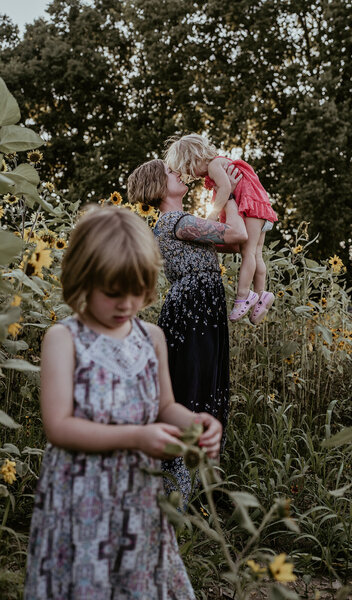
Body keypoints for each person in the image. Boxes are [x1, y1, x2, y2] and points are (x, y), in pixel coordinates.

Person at [24, 205, 223, 599]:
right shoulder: (64, 339)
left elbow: (165, 405)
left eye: (138, 293)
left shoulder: (150, 338)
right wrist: (137, 436)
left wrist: (195, 422)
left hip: (138, 496)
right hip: (82, 498)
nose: (127, 305)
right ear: (83, 278)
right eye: (113, 294)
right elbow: (59, 427)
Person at [127, 159, 247, 506]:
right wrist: (231, 193)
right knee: (190, 390)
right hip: (193, 310)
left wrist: (230, 195)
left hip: (202, 309)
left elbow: (235, 243)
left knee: (203, 387)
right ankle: (174, 492)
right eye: (170, 172)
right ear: (159, 186)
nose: (178, 173)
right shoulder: (176, 221)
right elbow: (238, 234)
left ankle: (190, 488)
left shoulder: (184, 223)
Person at [164, 133, 278, 324]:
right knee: (257, 254)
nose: (191, 176)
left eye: (188, 168)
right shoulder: (220, 164)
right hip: (261, 208)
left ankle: (243, 296)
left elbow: (225, 189)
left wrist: (211, 216)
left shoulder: (215, 165)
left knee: (248, 253)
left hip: (250, 206)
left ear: (196, 157)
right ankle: (261, 295)